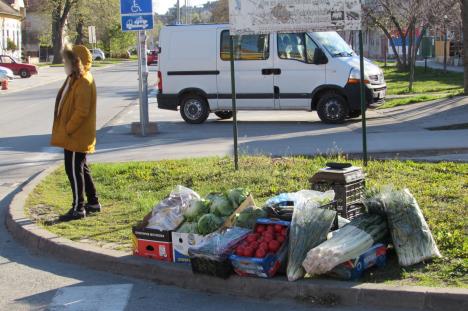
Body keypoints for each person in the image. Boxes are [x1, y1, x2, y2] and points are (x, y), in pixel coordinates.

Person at [50, 44, 101, 221]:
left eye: (67, 60)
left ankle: (78, 208)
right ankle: (93, 202)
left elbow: (81, 111)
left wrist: (67, 129)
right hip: (74, 135)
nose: (65, 63)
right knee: (81, 168)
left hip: (76, 136)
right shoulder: (76, 78)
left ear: (76, 62)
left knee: (73, 170)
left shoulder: (84, 81)